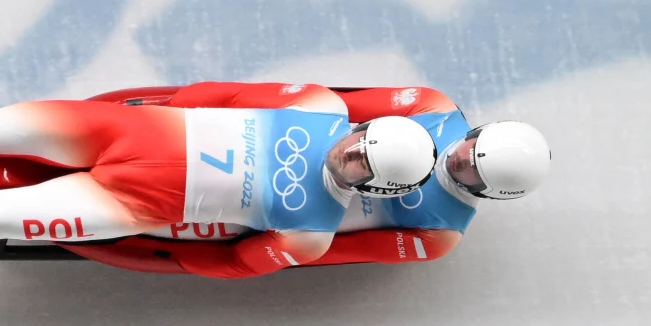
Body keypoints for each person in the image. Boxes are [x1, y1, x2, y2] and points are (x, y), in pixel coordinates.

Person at [0, 83, 439, 278]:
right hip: (133, 134)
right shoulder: (317, 105)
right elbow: (216, 93)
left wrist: (150, 243)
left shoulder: (312, 233)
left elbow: (226, 265)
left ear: (372, 191)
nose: (350, 156)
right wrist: (144, 108)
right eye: (360, 143)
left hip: (130, 202)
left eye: (362, 168)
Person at [63, 83, 552, 272]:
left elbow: (331, 254)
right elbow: (330, 106)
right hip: (273, 149)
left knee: (212, 231)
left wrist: (214, 261)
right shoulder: (430, 106)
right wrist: (198, 105)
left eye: (473, 171)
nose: (461, 160)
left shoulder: (439, 235)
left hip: (274, 212)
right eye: (472, 148)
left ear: (489, 193)